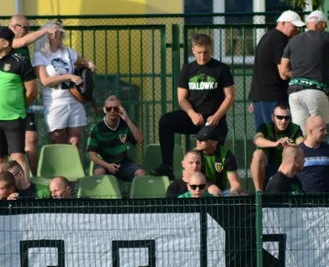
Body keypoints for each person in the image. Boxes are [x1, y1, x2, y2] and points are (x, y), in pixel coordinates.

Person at [153, 34, 234, 177]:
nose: (202, 56)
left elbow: (230, 97)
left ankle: (212, 181)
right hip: (193, 117)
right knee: (165, 122)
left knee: (208, 147)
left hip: (213, 120)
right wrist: (192, 114)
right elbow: (182, 98)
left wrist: (216, 117)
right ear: (193, 50)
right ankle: (167, 166)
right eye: (199, 53)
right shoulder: (187, 69)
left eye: (206, 52)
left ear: (211, 49)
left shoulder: (221, 69)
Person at [0, 26, 38, 177]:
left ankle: (24, 190)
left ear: (5, 43)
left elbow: (32, 91)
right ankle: (2, 191)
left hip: (14, 118)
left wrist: (19, 106)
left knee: (18, 157)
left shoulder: (21, 62)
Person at [33, 21, 95, 148]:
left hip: (74, 99)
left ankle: (76, 167)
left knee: (75, 141)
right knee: (58, 140)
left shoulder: (68, 52)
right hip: (55, 101)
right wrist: (69, 76)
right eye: (60, 33)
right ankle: (60, 168)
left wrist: (89, 64)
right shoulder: (40, 55)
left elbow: (82, 62)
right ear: (50, 35)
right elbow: (45, 80)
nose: (63, 36)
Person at [8, 14, 55, 169]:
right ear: (14, 27)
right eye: (25, 28)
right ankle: (12, 178)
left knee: (32, 139)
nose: (28, 31)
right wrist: (45, 30)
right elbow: (23, 40)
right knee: (13, 146)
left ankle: (33, 177)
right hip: (9, 105)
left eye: (30, 28)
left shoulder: (24, 47)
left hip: (24, 102)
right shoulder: (8, 41)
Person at [249, 11, 304, 130]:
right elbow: (284, 73)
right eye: (295, 26)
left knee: (263, 135)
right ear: (283, 23)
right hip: (273, 96)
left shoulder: (267, 36)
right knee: (277, 135)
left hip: (260, 96)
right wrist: (304, 77)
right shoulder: (279, 39)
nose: (298, 30)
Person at [87, 95, 145, 182]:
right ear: (104, 110)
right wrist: (107, 166)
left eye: (116, 108)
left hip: (124, 163)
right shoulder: (97, 128)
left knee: (141, 173)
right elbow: (92, 156)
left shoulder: (126, 124)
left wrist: (127, 119)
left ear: (120, 109)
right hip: (105, 163)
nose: (112, 111)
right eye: (109, 108)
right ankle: (104, 196)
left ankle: (136, 195)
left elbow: (140, 139)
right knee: (99, 172)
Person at [250, 104, 303, 191]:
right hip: (269, 165)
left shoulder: (295, 128)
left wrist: (289, 145)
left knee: (302, 157)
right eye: (279, 117)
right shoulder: (266, 127)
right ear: (272, 117)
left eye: (287, 118)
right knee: (258, 154)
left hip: (288, 167)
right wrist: (275, 143)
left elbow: (302, 145)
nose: (283, 121)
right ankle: (259, 192)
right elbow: (257, 140)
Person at [195, 125, 245, 196]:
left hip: (221, 192)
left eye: (203, 139)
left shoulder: (226, 155)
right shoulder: (193, 155)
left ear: (214, 143)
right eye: (198, 138)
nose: (198, 141)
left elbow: (235, 183)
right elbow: (191, 176)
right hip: (198, 191)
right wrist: (210, 186)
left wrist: (234, 193)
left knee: (242, 194)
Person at [299, 116, 329, 194]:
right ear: (310, 131)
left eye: (325, 129)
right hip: (303, 201)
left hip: (326, 201)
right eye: (322, 130)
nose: (326, 132)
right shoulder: (298, 151)